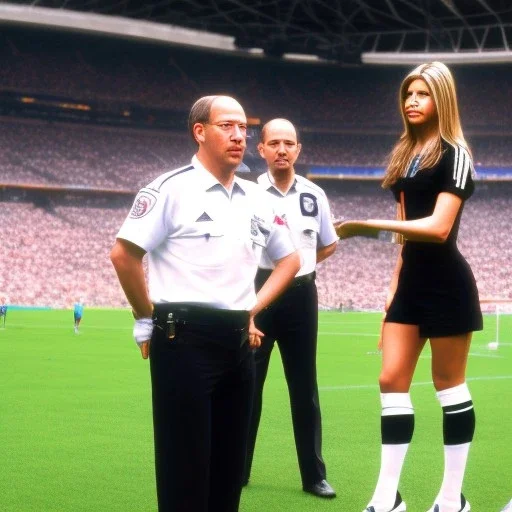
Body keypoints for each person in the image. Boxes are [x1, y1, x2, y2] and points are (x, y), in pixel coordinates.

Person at [110, 96, 301, 512]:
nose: (238, 136)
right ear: (200, 131)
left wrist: (253, 307)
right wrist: (146, 317)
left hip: (237, 341)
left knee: (228, 469)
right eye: (226, 126)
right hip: (183, 338)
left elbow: (291, 260)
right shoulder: (170, 189)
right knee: (185, 468)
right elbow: (124, 255)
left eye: (244, 129)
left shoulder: (258, 198)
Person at [335, 62, 482, 512]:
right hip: (411, 285)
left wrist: (363, 227)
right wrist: (390, 297)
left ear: (443, 100)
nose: (412, 102)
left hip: (447, 285)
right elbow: (403, 235)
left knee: (448, 386)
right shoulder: (405, 154)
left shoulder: (455, 154)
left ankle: (451, 498)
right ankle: (388, 498)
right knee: (390, 379)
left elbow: (438, 229)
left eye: (423, 94)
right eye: (408, 95)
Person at [243, 119, 338, 498]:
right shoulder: (248, 194)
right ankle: (238, 468)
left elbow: (328, 243)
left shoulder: (315, 195)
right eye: (274, 143)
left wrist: (299, 270)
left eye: (289, 143)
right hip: (258, 293)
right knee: (249, 384)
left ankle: (314, 476)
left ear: (298, 149)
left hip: (301, 297)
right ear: (261, 149)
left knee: (304, 388)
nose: (282, 149)